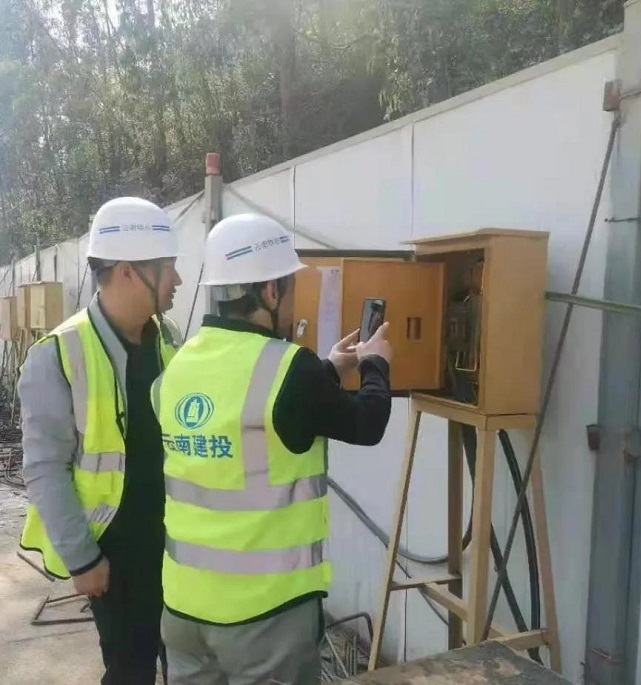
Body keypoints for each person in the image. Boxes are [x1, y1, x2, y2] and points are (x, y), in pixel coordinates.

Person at [151, 213, 393, 685]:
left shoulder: (178, 367)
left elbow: (250, 414)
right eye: (290, 285)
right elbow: (368, 423)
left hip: (183, 610)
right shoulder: (290, 369)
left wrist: (328, 368)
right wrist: (375, 365)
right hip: (264, 616)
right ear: (269, 292)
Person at [19, 196, 184, 684]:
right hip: (114, 555)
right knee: (131, 670)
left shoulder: (169, 337)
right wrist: (83, 559)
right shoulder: (58, 354)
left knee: (187, 666)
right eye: (168, 267)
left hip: (178, 544)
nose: (178, 279)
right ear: (129, 271)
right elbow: (44, 468)